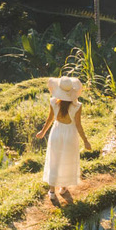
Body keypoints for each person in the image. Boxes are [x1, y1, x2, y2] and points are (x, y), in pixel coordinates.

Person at [35, 76, 92, 204]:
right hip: (70, 135)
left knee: (54, 160)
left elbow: (50, 119)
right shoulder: (77, 106)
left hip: (56, 133)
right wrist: (85, 141)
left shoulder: (53, 102)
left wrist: (43, 131)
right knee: (66, 159)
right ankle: (63, 187)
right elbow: (78, 125)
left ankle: (51, 192)